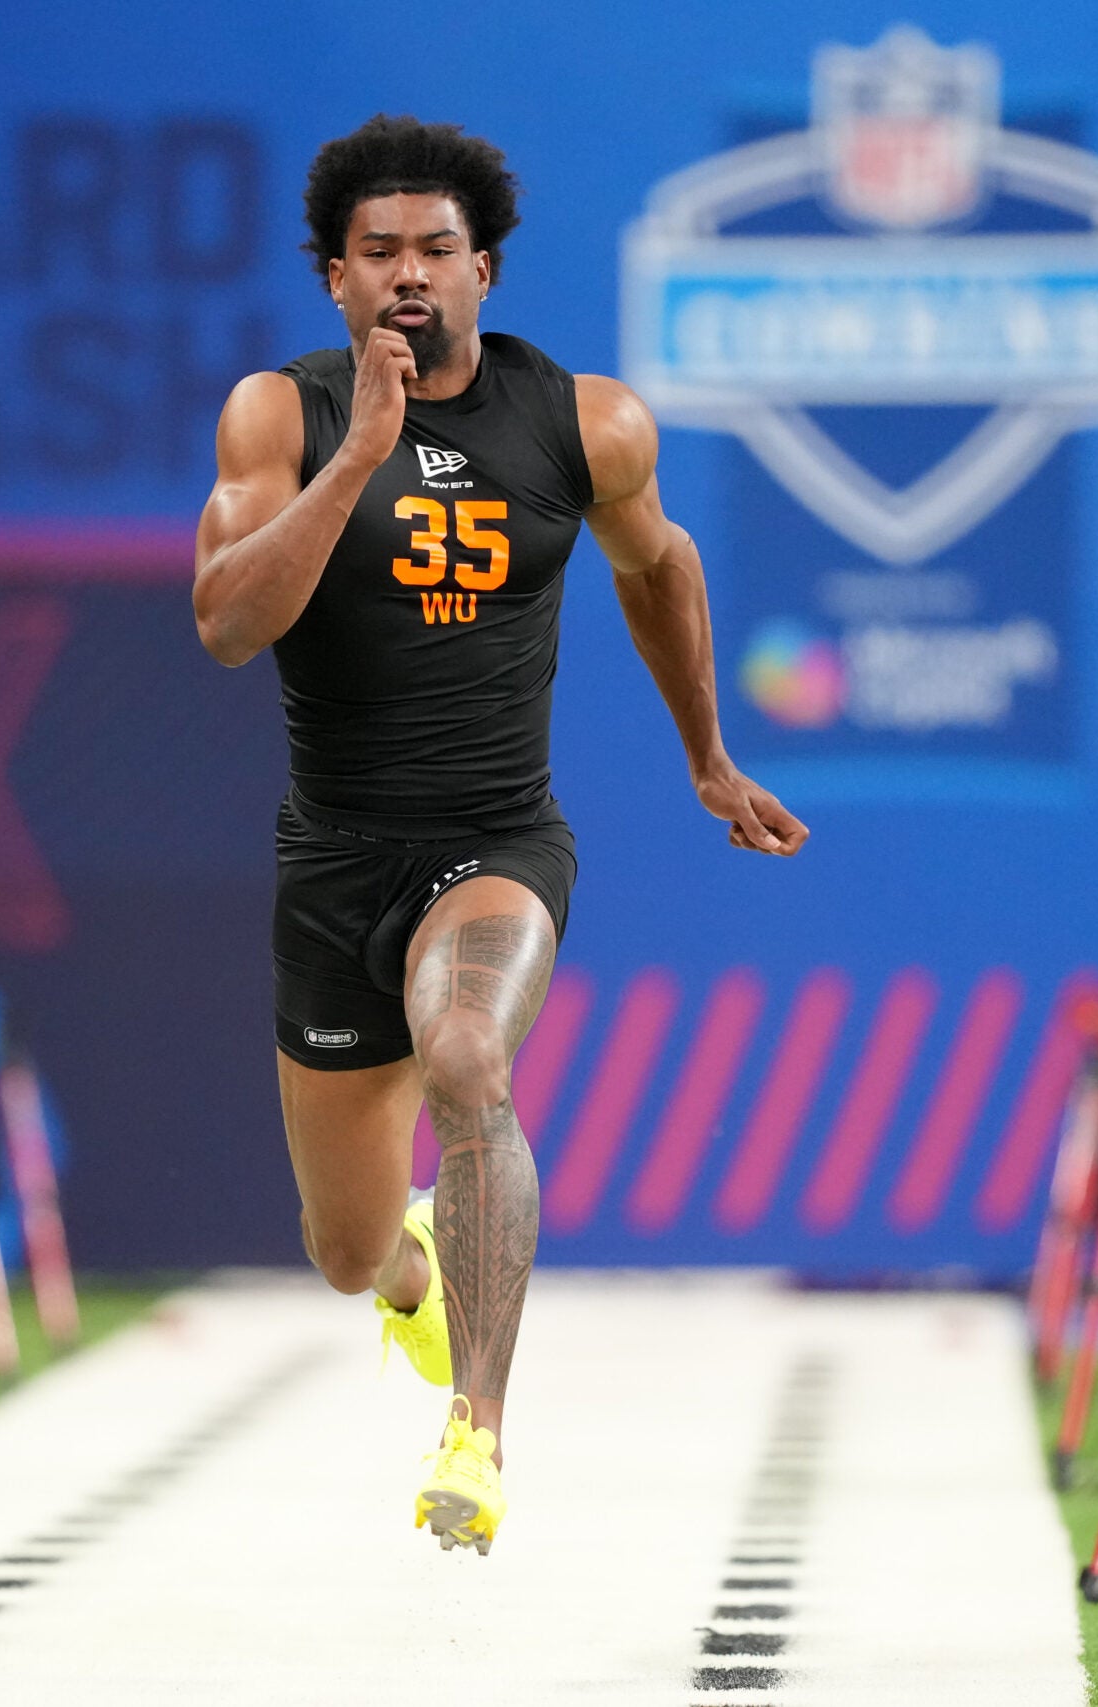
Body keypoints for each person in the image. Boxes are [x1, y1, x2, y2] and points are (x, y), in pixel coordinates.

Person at [191, 115, 808, 1555]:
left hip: (497, 845)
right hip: (335, 861)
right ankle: (414, 1285)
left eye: (437, 252)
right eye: (378, 254)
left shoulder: (588, 422)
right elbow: (225, 624)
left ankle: (477, 1431)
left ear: (489, 268)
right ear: (333, 279)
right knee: (345, 1256)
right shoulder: (278, 418)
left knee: (471, 1060)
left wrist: (710, 759)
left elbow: (661, 567)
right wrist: (362, 460)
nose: (411, 276)